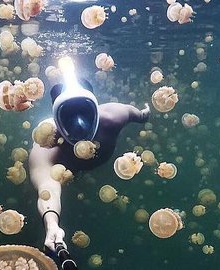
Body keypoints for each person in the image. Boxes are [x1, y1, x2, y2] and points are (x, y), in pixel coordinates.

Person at [29, 57, 151, 258]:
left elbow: (135, 113)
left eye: (86, 113)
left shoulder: (113, 115)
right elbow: (47, 188)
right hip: (74, 170)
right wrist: (52, 225)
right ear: (56, 120)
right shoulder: (45, 147)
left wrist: (146, 113)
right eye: (68, 116)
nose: (79, 124)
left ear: (97, 110)